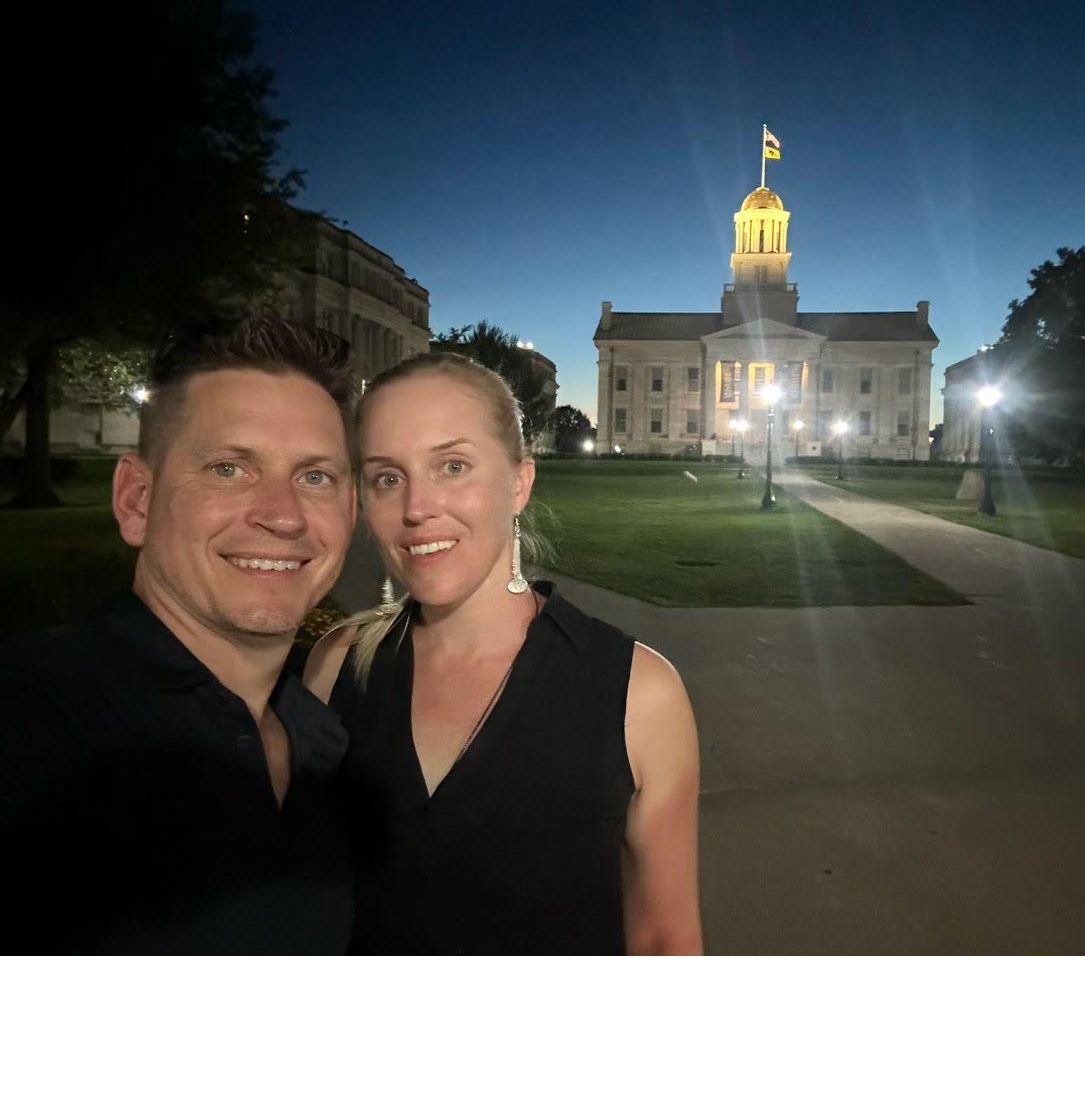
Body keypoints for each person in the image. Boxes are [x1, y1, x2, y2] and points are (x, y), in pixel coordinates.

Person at [305, 353, 702, 955]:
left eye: (453, 466)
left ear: (519, 483)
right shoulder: (336, 664)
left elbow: (666, 940)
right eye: (387, 477)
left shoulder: (637, 692)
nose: (416, 508)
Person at [0, 315, 358, 953]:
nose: (283, 516)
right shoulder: (33, 719)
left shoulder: (322, 736)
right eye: (228, 469)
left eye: (315, 477)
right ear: (136, 500)